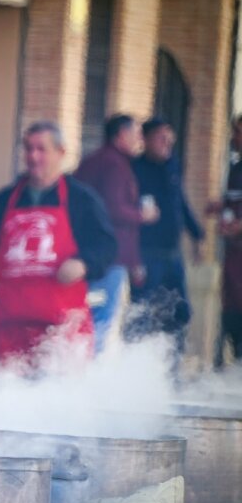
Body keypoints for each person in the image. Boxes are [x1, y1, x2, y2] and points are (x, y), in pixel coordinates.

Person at [0, 121, 117, 367]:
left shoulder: (82, 200)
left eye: (41, 149)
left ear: (60, 153)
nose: (33, 156)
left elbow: (107, 245)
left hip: (63, 333)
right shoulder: (2, 201)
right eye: (28, 149)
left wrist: (83, 264)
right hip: (11, 330)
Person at [75, 113, 159, 340]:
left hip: (88, 253)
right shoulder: (113, 164)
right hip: (109, 256)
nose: (139, 140)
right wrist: (142, 215)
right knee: (99, 323)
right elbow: (113, 209)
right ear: (121, 135)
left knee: (86, 320)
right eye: (135, 134)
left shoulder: (97, 160)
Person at [129, 118, 204, 345]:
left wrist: (197, 234)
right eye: (161, 138)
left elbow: (180, 201)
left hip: (173, 254)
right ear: (146, 139)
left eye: (169, 138)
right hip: (147, 255)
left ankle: (172, 370)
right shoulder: (135, 170)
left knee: (179, 312)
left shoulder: (172, 164)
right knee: (143, 313)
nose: (167, 143)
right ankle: (135, 367)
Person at [214, 117, 242, 363]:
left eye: (239, 133)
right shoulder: (236, 168)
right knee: (231, 306)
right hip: (233, 253)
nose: (235, 138)